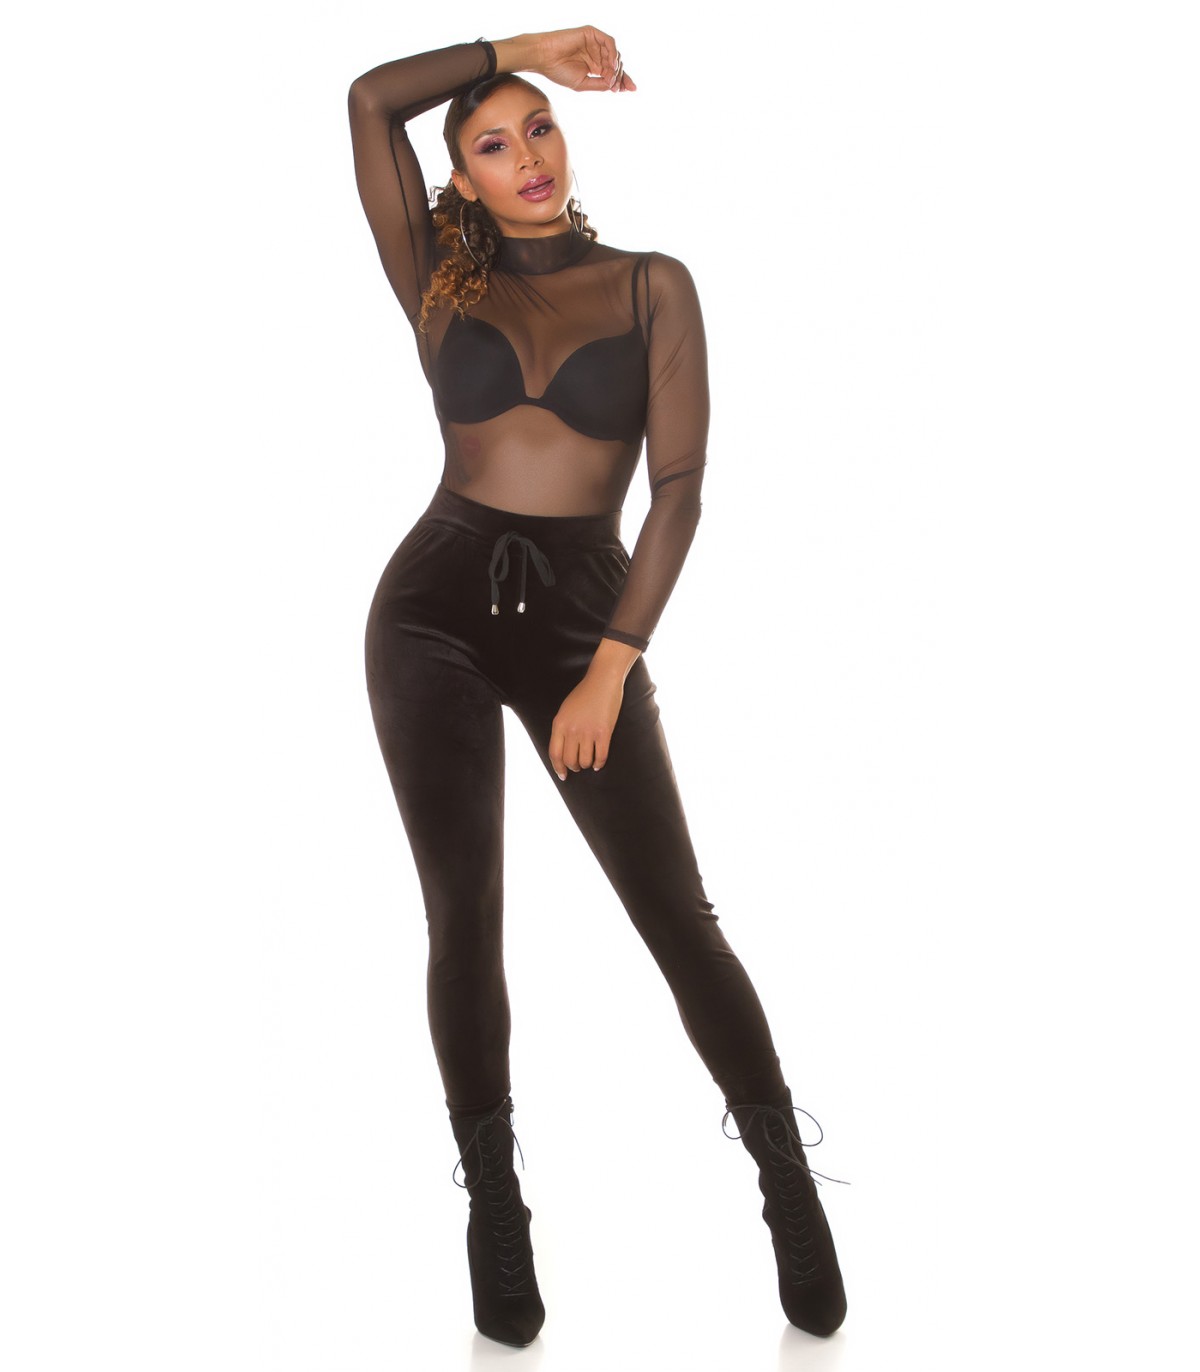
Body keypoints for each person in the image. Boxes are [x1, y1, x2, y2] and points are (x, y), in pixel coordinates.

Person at [347, 25, 848, 1347]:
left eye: (541, 127)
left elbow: (679, 489)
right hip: (431, 614)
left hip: (586, 618)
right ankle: (495, 1209)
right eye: (492, 142)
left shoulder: (648, 285)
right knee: (464, 918)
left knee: (679, 918)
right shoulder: (435, 279)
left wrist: (612, 668)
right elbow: (369, 99)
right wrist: (523, 48)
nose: (528, 156)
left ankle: (790, 1192)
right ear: (460, 176)